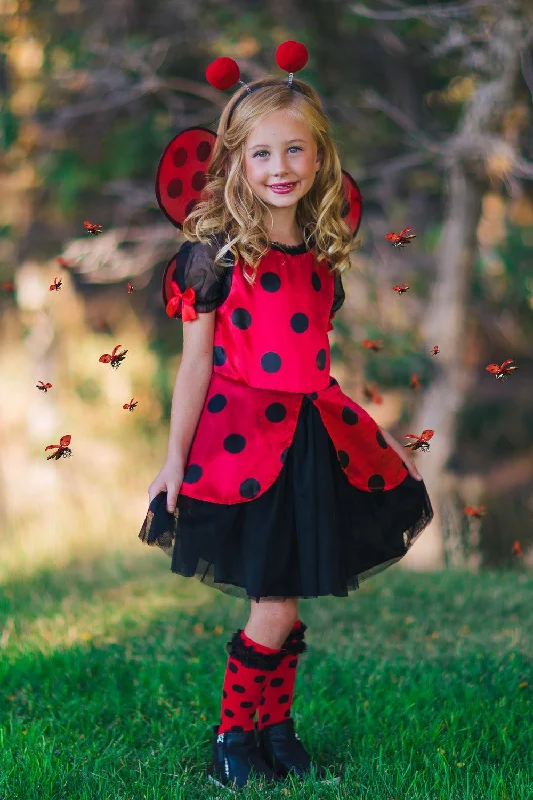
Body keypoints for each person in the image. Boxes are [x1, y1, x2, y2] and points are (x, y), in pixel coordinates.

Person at [139, 40, 434, 791]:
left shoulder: (321, 247)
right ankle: (231, 736)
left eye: (294, 149)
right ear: (236, 161)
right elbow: (196, 366)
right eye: (262, 152)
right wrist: (174, 461)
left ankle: (274, 726)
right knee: (271, 601)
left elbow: (313, 352)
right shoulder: (215, 257)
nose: (280, 167)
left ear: (318, 157)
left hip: (310, 437)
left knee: (289, 595)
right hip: (242, 444)